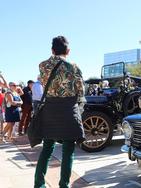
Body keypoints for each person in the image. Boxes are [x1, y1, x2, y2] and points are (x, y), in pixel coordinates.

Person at [34, 36, 85, 188]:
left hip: (50, 110)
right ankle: (64, 185)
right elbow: (81, 91)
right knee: (68, 150)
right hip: (68, 111)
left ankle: (39, 184)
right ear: (68, 51)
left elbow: (45, 85)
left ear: (52, 50)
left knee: (47, 149)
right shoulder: (74, 67)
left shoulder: (42, 65)